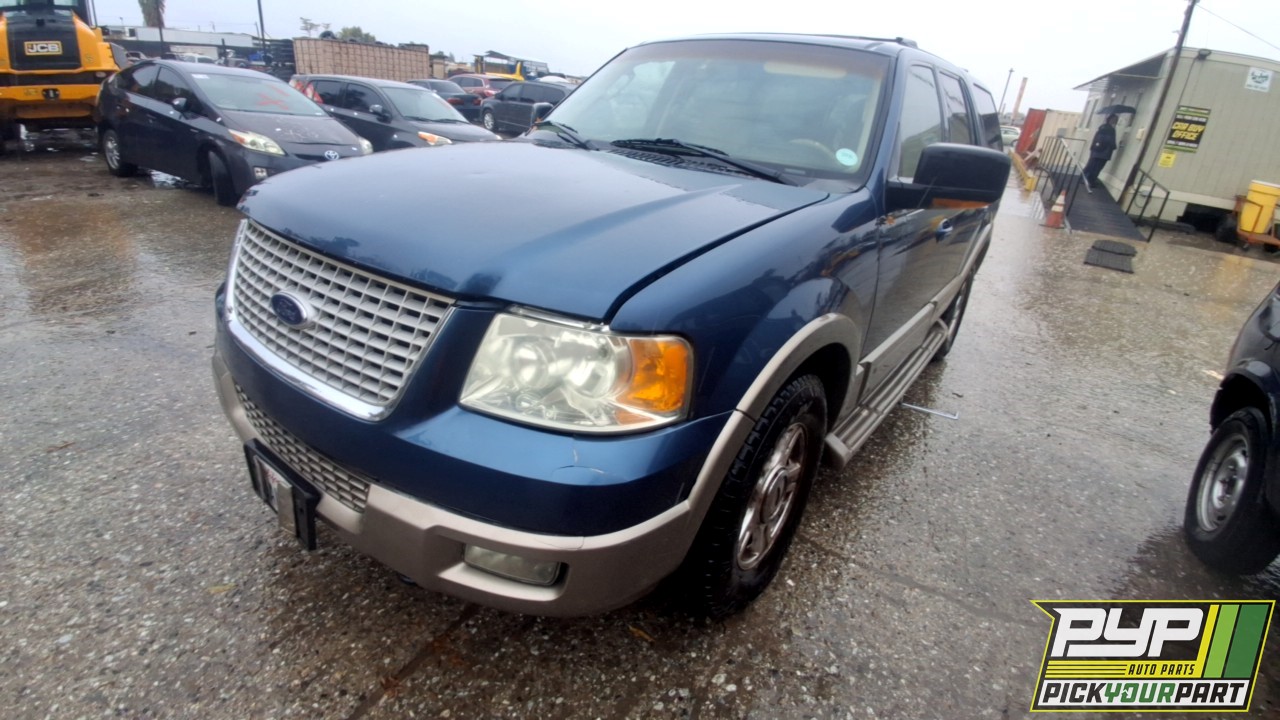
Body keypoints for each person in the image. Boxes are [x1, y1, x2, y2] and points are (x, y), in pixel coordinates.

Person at [1083, 113, 1119, 189]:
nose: (1115, 122)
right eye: (1115, 120)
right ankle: (1090, 181)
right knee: (1096, 167)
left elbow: (1097, 139)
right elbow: (1109, 141)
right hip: (1103, 152)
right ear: (1111, 120)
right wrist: (1113, 146)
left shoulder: (1102, 127)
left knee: (1091, 165)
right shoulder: (1110, 129)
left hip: (1096, 151)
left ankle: (1084, 178)